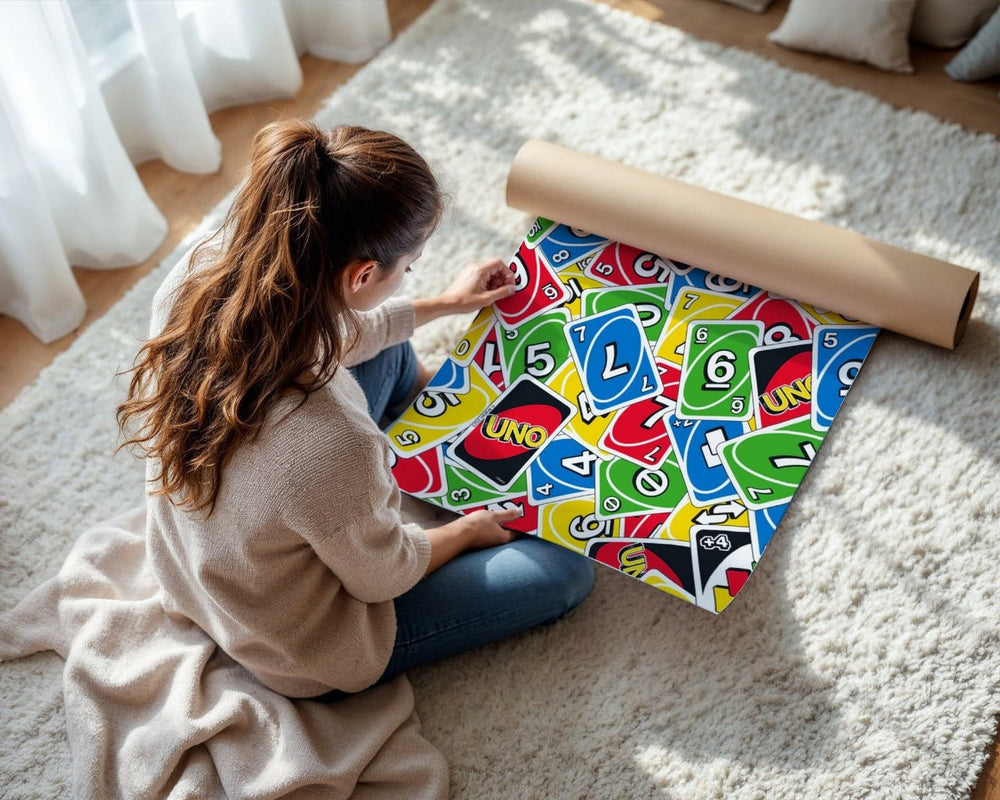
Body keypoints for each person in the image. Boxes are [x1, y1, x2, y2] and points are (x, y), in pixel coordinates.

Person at [117, 119, 595, 702]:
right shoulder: (332, 441)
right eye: (408, 268)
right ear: (363, 273)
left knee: (389, 350)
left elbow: (339, 332)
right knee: (565, 573)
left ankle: (436, 433)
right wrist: (469, 531)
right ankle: (440, 471)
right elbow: (382, 576)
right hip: (298, 641)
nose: (408, 277)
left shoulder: (205, 268)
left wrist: (446, 302)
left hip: (204, 564)